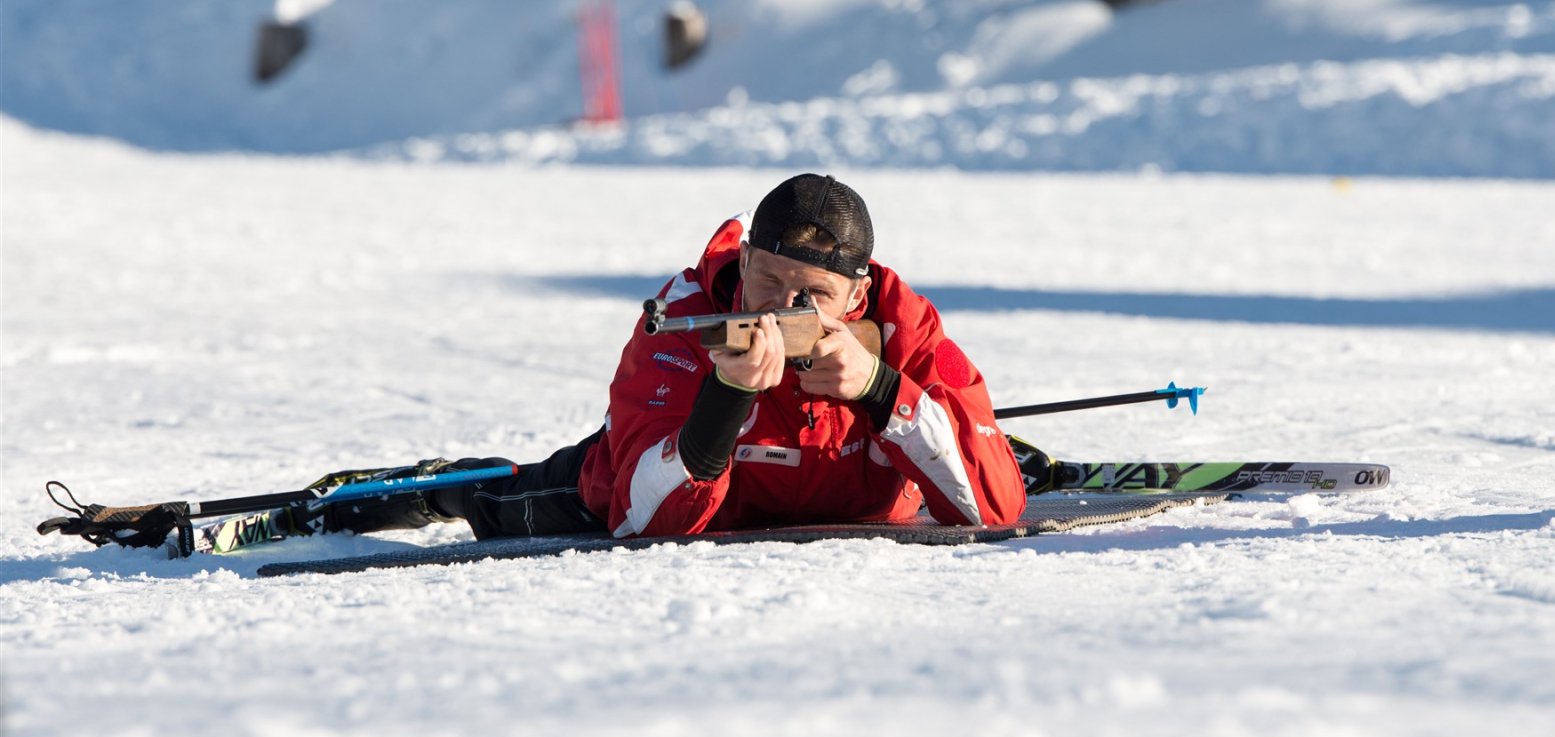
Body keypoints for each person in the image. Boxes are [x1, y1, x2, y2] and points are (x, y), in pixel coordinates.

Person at [306, 173, 1026, 541]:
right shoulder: (685, 320)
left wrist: (878, 390)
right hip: (647, 484)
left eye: (812, 294)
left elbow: (993, 510)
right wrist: (726, 398)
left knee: (955, 435)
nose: (780, 305)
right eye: (767, 279)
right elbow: (641, 522)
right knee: (507, 501)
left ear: (858, 294)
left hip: (847, 487)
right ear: (743, 258)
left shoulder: (905, 330)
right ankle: (429, 490)